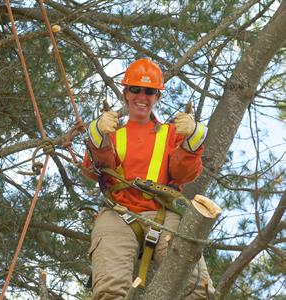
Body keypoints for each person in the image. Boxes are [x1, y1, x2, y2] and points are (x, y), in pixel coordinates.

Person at [82, 58, 215, 300]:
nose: (142, 96)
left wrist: (193, 139)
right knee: (109, 292)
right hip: (118, 213)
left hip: (163, 213)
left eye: (149, 91)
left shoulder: (172, 134)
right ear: (126, 93)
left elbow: (185, 173)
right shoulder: (112, 133)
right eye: (135, 89)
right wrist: (97, 136)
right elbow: (93, 171)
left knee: (196, 288)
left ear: (157, 97)